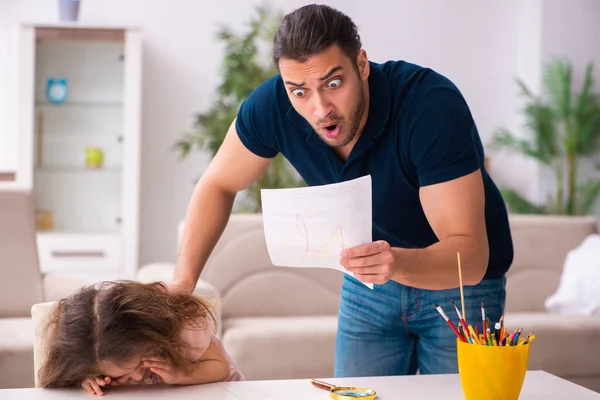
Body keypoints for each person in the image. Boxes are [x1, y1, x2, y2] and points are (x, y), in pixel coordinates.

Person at [171, 4, 513, 377]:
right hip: (369, 288)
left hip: (460, 289)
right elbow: (218, 183)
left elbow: (471, 256)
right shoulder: (272, 105)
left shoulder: (430, 105)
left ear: (361, 64)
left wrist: (395, 262)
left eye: (333, 84)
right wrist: (183, 283)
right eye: (299, 91)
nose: (320, 109)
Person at [38, 281, 244, 395]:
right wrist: (86, 379)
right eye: (121, 376)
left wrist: (181, 375)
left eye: (140, 362)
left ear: (152, 331)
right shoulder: (91, 359)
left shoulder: (184, 330)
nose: (137, 377)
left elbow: (221, 367)